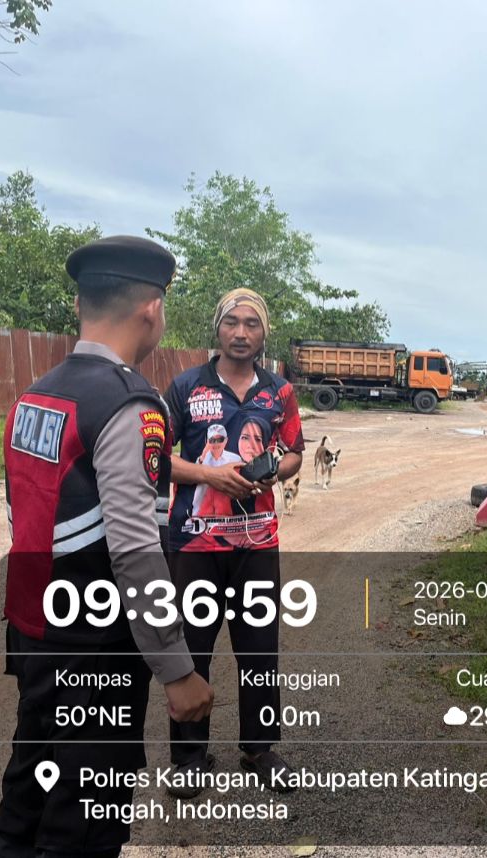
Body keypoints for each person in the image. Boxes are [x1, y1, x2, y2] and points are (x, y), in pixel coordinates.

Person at [0, 236, 215, 858]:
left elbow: (21, 517)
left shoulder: (35, 395)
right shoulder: (130, 404)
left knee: (28, 796)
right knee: (85, 822)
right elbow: (136, 550)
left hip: (37, 637)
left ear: (78, 305)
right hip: (94, 653)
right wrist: (177, 670)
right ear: (152, 309)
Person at [162, 287, 304, 797]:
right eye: (232, 323)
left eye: (252, 324)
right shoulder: (185, 388)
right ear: (218, 328)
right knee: (191, 651)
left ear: (264, 333)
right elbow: (157, 458)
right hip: (195, 545)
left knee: (260, 651)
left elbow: (294, 452)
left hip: (257, 544)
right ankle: (189, 757)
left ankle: (259, 750)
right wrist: (210, 475)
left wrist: (272, 471)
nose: (241, 333)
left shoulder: (279, 392)